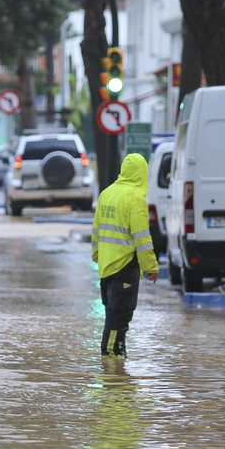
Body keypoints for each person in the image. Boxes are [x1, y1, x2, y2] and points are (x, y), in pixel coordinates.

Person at [91, 152, 159, 358]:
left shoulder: (107, 194)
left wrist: (97, 256)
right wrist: (151, 267)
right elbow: (142, 238)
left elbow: (96, 231)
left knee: (112, 315)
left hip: (106, 267)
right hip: (124, 266)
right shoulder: (134, 198)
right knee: (119, 317)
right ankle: (111, 364)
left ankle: (117, 361)